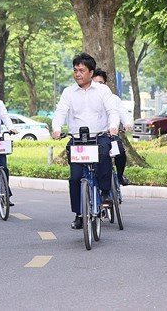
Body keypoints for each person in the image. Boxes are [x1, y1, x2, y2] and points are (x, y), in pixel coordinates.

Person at [52, 53, 119, 230]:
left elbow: (112, 111)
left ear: (91, 72)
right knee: (75, 178)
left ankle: (105, 193)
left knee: (104, 155)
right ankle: (79, 214)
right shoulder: (68, 92)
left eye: (81, 70)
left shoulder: (103, 90)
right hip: (77, 140)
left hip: (99, 136)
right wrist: (56, 128)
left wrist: (113, 126)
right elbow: (60, 112)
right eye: (75, 70)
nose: (77, 74)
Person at [92, 69, 132, 186]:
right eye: (95, 83)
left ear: (106, 84)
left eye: (101, 83)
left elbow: (123, 113)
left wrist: (127, 123)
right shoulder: (87, 98)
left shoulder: (114, 99)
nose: (98, 86)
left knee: (119, 152)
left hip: (110, 136)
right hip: (93, 137)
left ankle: (119, 176)